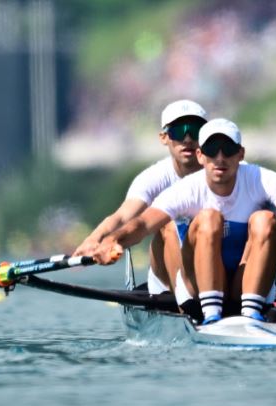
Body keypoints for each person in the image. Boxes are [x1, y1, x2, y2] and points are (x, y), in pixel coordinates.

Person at [92, 118, 276, 324]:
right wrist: (113, 241)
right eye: (212, 150)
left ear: (241, 154)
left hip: (243, 286)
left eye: (228, 149)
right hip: (197, 290)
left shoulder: (261, 179)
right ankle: (211, 314)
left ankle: (250, 313)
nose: (220, 158)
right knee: (209, 218)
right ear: (200, 156)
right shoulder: (187, 189)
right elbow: (143, 224)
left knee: (264, 219)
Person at [73, 99, 209, 295]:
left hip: (213, 270)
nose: (187, 139)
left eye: (195, 131)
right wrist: (94, 239)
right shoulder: (154, 177)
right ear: (164, 137)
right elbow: (123, 216)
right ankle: (183, 298)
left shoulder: (225, 172)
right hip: (168, 280)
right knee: (166, 224)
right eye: (179, 131)